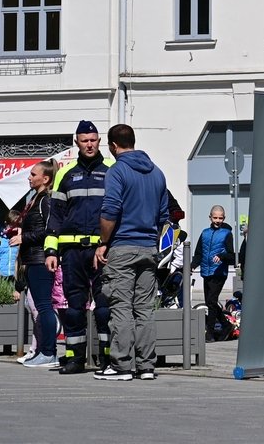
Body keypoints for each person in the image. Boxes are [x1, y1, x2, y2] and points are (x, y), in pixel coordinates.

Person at [94, 123, 170, 381]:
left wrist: (103, 242)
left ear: (113, 146)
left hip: (122, 247)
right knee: (145, 309)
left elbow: (110, 210)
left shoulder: (117, 171)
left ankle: (122, 366)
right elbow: (163, 216)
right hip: (149, 248)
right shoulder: (157, 173)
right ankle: (146, 366)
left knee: (121, 307)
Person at [45, 120, 115, 374]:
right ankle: (75, 358)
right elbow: (55, 216)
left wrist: (110, 244)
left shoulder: (112, 171)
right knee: (74, 308)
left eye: (93, 140)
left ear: (99, 141)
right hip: (72, 252)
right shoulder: (65, 174)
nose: (89, 144)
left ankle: (107, 359)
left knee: (105, 308)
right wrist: (51, 251)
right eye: (85, 140)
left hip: (102, 251)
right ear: (77, 143)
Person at [13, 160, 60, 368]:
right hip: (33, 259)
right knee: (40, 307)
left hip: (41, 259)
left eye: (33, 174)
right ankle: (42, 351)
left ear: (46, 179)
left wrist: (24, 237)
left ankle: (49, 352)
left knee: (43, 306)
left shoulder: (46, 200)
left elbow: (50, 230)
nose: (29, 177)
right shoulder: (35, 199)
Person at [194, 206, 236, 341]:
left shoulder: (227, 234)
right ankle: (226, 325)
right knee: (209, 302)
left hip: (219, 272)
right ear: (210, 217)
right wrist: (192, 266)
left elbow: (231, 255)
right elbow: (198, 253)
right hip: (206, 272)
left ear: (224, 218)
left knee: (212, 301)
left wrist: (221, 256)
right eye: (215, 217)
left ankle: (210, 334)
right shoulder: (204, 233)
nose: (217, 220)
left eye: (220, 218)